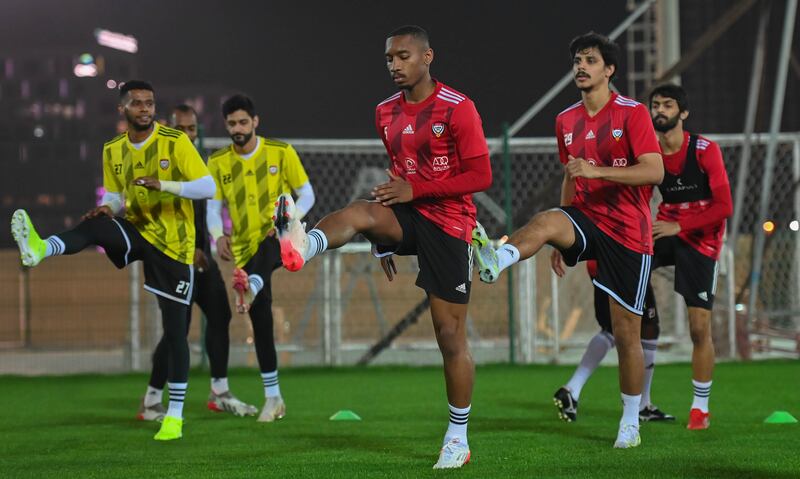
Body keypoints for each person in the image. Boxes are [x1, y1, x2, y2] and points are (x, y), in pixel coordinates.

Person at [273, 25, 491, 468]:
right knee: (361, 211)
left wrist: (416, 190)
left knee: (449, 337)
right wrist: (383, 242)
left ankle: (457, 438)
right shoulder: (384, 112)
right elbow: (398, 178)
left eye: (403, 56)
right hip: (409, 216)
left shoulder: (457, 107)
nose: (394, 65)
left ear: (428, 56)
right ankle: (302, 244)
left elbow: (481, 177)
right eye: (389, 58)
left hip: (450, 225)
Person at [472, 32, 663, 448]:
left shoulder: (632, 115)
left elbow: (654, 171)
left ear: (609, 70)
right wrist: (562, 237)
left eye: (590, 60)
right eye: (577, 59)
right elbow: (571, 175)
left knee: (626, 333)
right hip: (587, 219)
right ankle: (497, 258)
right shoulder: (565, 120)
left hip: (629, 234)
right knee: (544, 222)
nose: (581, 66)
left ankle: (630, 421)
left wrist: (598, 173)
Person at [11, 80, 215, 441]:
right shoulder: (113, 149)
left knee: (175, 330)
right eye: (136, 103)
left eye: (149, 103)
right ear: (122, 109)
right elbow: (117, 194)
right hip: (137, 230)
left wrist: (164, 185)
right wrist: (109, 205)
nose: (145, 108)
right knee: (96, 224)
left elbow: (207, 187)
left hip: (174, 246)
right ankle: (41, 248)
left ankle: (174, 415)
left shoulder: (175, 141)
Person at [137, 104, 258, 423]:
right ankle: (151, 400)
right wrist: (186, 251)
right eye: (181, 129)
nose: (188, 135)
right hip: (174, 262)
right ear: (168, 129)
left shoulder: (198, 166)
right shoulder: (159, 169)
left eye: (192, 129)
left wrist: (216, 238)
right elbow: (148, 219)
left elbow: (209, 209)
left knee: (220, 315)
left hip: (202, 259)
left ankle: (219, 392)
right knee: (175, 332)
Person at [207, 94, 315, 422]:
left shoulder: (280, 152)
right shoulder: (218, 162)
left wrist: (289, 219)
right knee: (262, 321)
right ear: (226, 125)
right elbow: (213, 209)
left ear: (255, 121)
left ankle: (251, 284)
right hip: (243, 248)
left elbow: (307, 194)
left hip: (280, 236)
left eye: (243, 122)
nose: (237, 128)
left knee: (271, 247)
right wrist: (217, 236)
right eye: (231, 124)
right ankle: (274, 398)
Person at [646, 83, 732, 430]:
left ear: (683, 113)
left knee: (699, 328)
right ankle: (639, 400)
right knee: (627, 257)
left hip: (701, 241)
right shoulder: (650, 152)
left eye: (667, 105)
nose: (660, 111)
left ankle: (700, 408)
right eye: (655, 105)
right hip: (668, 232)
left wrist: (679, 227)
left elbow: (724, 207)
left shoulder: (704, 150)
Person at [553, 260, 674, 423]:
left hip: (600, 265)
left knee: (611, 329)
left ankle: (572, 389)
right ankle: (642, 406)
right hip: (624, 260)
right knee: (648, 328)